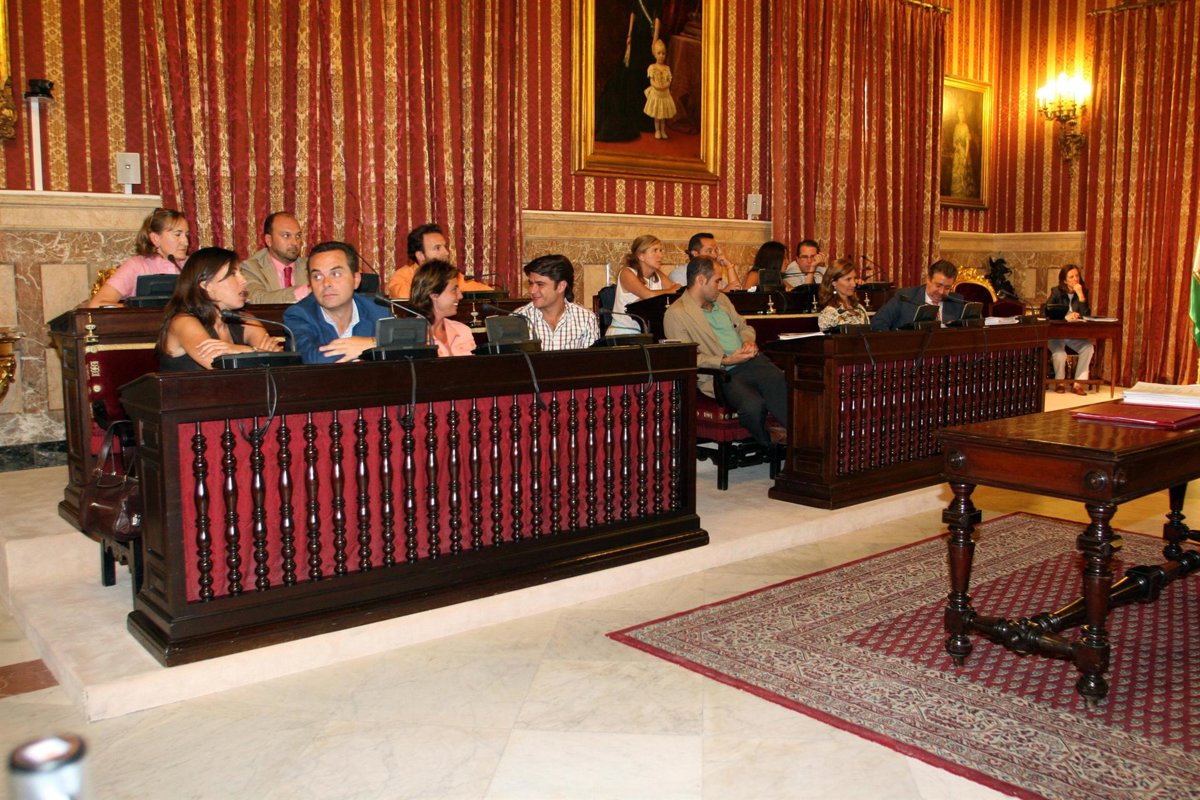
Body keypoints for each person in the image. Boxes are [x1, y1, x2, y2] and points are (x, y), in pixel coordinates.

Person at [663, 256, 788, 448]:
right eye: (717, 280)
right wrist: (724, 360)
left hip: (751, 361)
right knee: (753, 405)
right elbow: (684, 358)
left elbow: (744, 326)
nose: (721, 286)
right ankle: (768, 440)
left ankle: (803, 443)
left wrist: (748, 341)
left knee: (783, 384)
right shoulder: (676, 313)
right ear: (701, 280)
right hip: (722, 374)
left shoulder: (722, 300)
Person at [157, 247, 278, 371]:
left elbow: (278, 360)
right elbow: (216, 363)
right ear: (207, 286)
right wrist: (252, 351)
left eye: (241, 273)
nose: (244, 280)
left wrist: (234, 349)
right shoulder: (182, 322)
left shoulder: (245, 320)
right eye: (233, 274)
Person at [283, 241, 392, 364]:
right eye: (317, 276)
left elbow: (403, 348)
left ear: (356, 280)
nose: (326, 283)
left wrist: (373, 342)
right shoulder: (299, 315)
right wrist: (367, 349)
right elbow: (310, 358)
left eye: (335, 274)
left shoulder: (379, 311)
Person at [87, 208, 189, 307]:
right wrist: (138, 308)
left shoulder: (192, 264)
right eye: (177, 234)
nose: (186, 242)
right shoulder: (136, 266)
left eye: (186, 235)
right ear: (155, 238)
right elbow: (96, 304)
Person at [514, 254, 601, 350]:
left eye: (540, 284)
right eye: (531, 284)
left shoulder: (586, 319)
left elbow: (591, 359)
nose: (532, 290)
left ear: (561, 286)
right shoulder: (518, 319)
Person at [386, 223, 493, 299]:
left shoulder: (451, 276)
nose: (446, 252)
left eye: (444, 247)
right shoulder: (402, 276)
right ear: (421, 255)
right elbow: (405, 297)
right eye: (437, 248)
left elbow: (488, 293)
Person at [609, 234, 680, 335]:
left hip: (649, 333)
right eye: (655, 250)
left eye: (660, 250)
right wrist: (671, 290)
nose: (660, 255)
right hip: (624, 334)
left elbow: (678, 291)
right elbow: (648, 295)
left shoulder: (657, 274)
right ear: (641, 256)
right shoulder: (627, 273)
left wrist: (672, 290)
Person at [870, 259, 966, 331]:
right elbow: (878, 322)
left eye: (947, 288)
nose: (941, 292)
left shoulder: (957, 302)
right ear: (928, 279)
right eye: (938, 285)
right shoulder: (905, 297)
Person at [408, 259, 476, 357]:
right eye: (454, 289)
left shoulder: (463, 331)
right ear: (434, 295)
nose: (460, 296)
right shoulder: (412, 336)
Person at [240, 212, 310, 304]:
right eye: (286, 235)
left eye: (298, 236)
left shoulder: (310, 266)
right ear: (269, 240)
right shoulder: (251, 268)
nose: (295, 242)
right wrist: (305, 291)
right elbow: (256, 299)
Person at [1046, 263, 1094, 395]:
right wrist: (1065, 317)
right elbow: (1046, 312)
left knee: (1088, 348)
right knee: (1060, 354)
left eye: (1077, 276)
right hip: (1056, 335)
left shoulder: (1083, 292)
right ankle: (1059, 382)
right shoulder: (1056, 292)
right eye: (1071, 277)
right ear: (1064, 280)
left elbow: (1086, 315)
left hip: (1073, 335)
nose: (1075, 279)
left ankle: (1078, 383)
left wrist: (1081, 296)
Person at [669, 232, 743, 290]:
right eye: (709, 251)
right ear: (695, 253)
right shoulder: (679, 274)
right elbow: (689, 298)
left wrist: (729, 266)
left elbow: (736, 292)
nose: (715, 255)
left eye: (715, 251)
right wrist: (725, 291)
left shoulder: (715, 273)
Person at [816, 259, 870, 332]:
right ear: (834, 283)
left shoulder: (859, 307)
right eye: (848, 279)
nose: (854, 284)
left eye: (854, 278)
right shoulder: (828, 313)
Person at [643, 39, 676, 139]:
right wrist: (656, 86)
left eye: (663, 53)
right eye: (659, 53)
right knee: (657, 116)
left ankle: (663, 130)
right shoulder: (652, 67)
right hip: (657, 95)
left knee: (663, 116)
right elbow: (652, 80)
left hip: (664, 95)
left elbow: (669, 80)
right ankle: (657, 131)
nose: (661, 56)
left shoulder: (667, 68)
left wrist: (666, 85)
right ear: (655, 54)